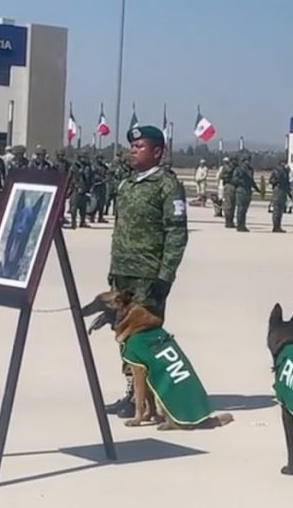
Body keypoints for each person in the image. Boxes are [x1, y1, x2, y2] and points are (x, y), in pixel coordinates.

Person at [105, 125, 189, 417]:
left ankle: (148, 399)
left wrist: (166, 276)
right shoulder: (128, 183)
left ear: (157, 152)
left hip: (148, 276)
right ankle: (133, 393)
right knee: (125, 337)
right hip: (123, 275)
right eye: (132, 146)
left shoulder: (167, 185)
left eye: (139, 146)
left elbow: (177, 234)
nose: (132, 150)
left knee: (143, 338)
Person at [268, 156, 290, 232]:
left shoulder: (285, 171)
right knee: (277, 209)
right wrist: (277, 180)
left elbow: (287, 183)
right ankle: (276, 226)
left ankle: (278, 226)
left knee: (280, 210)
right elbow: (271, 180)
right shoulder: (277, 171)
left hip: (283, 191)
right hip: (278, 190)